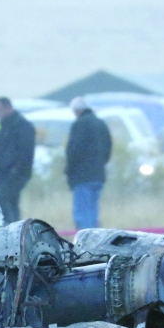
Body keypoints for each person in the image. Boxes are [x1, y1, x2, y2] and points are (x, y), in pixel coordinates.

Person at [65, 97, 112, 230]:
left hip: (82, 176)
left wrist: (69, 171)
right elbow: (108, 148)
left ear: (77, 110)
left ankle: (85, 242)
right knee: (93, 211)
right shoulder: (101, 124)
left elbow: (73, 151)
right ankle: (96, 238)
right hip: (98, 175)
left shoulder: (79, 124)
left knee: (82, 213)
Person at [0, 96, 35, 224]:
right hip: (3, 173)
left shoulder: (22, 126)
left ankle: (9, 228)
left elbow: (26, 152)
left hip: (17, 173)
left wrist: (17, 170)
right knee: (12, 202)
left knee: (1, 199)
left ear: (8, 108)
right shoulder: (4, 125)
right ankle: (17, 230)